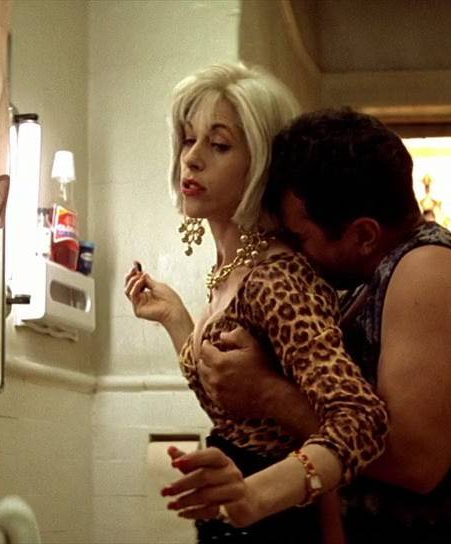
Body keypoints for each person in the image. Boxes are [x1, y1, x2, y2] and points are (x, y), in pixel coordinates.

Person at [196, 108, 451, 542]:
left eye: (303, 237)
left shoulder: (430, 271)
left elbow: (413, 461)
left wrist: (267, 393)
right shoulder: (366, 282)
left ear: (363, 234)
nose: (297, 255)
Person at [124, 66, 389, 543]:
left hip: (278, 517)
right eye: (188, 140)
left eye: (219, 145)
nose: (192, 159)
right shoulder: (233, 268)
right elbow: (235, 411)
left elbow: (360, 419)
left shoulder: (275, 278)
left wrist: (255, 494)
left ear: (261, 164)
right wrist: (175, 318)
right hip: (237, 507)